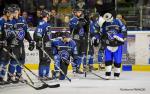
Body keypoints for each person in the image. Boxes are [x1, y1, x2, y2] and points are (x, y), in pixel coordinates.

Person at [7, 5, 35, 83]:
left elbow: (26, 32)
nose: (15, 13)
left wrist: (31, 41)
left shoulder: (22, 19)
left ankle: (18, 76)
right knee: (14, 60)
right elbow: (7, 34)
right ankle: (10, 76)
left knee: (22, 60)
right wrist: (9, 42)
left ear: (18, 12)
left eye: (16, 12)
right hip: (13, 45)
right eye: (13, 12)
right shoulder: (9, 21)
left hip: (20, 44)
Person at [99, 13, 127, 79]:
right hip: (108, 44)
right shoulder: (104, 23)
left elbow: (124, 29)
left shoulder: (118, 21)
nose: (107, 21)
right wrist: (99, 39)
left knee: (117, 60)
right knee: (108, 59)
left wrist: (121, 36)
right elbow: (101, 34)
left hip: (117, 44)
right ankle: (107, 74)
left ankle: (117, 75)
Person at [34, 9, 52, 80]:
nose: (49, 16)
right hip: (43, 45)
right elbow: (38, 34)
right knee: (43, 60)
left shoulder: (46, 24)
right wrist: (38, 42)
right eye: (49, 14)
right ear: (46, 15)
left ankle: (46, 75)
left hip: (48, 45)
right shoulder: (42, 23)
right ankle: (41, 75)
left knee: (48, 60)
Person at [69, 8, 88, 74]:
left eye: (80, 12)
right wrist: (80, 22)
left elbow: (87, 28)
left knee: (81, 54)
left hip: (82, 39)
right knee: (75, 54)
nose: (80, 13)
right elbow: (76, 26)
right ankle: (74, 68)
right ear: (75, 13)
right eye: (78, 12)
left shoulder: (83, 19)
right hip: (75, 39)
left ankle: (78, 68)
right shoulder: (73, 19)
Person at [0, 7, 15, 85]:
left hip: (7, 46)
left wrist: (13, 39)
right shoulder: (1, 21)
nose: (12, 14)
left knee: (6, 62)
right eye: (10, 13)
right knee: (2, 62)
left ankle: (1, 78)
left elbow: (11, 33)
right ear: (7, 13)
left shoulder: (9, 22)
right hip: (1, 46)